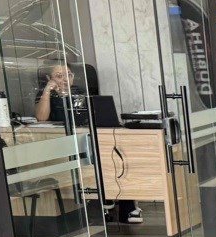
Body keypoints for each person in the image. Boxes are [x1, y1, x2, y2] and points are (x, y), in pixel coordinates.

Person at [35, 62, 141, 225]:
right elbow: (41, 118)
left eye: (69, 75)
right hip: (63, 142)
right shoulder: (45, 95)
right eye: (59, 76)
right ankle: (107, 199)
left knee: (114, 156)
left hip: (86, 136)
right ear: (49, 78)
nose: (65, 79)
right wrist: (48, 90)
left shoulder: (78, 92)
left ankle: (122, 203)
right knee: (101, 159)